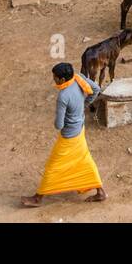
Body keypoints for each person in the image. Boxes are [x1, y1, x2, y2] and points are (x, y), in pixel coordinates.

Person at [22, 62, 106, 207]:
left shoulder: (63, 96)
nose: (53, 79)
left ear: (61, 79)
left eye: (55, 77)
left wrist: (61, 116)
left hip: (69, 136)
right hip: (79, 129)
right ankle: (100, 192)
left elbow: (59, 125)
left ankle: (38, 198)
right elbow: (96, 89)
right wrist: (83, 105)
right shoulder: (78, 78)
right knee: (84, 160)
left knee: (52, 166)